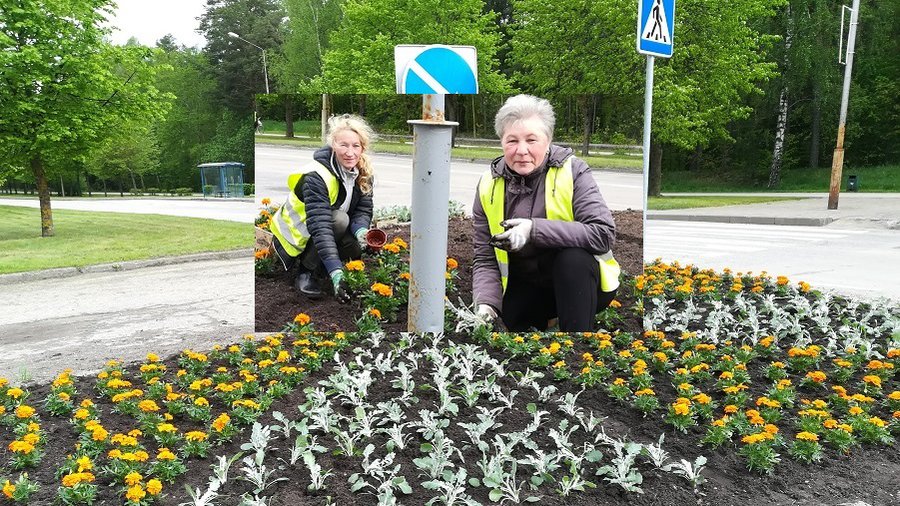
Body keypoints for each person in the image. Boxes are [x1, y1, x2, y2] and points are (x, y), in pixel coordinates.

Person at [472, 94, 620, 332]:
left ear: (548, 140)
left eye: (532, 140)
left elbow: (602, 233)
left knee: (572, 261)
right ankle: (547, 319)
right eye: (512, 141)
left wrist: (534, 229)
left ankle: (577, 342)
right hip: (529, 284)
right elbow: (485, 257)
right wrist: (486, 304)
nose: (521, 150)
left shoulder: (573, 171)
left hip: (581, 283)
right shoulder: (488, 184)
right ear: (501, 141)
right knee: (513, 324)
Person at [270, 113, 375, 302]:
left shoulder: (364, 172)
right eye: (343, 145)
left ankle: (324, 265)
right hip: (296, 235)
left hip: (326, 229)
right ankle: (306, 271)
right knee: (340, 221)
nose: (350, 152)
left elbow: (362, 211)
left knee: (354, 246)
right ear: (333, 145)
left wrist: (361, 233)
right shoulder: (316, 176)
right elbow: (321, 226)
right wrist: (336, 272)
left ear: (362, 148)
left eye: (355, 146)